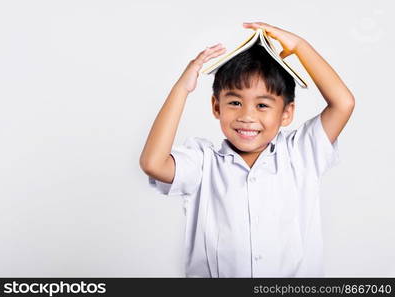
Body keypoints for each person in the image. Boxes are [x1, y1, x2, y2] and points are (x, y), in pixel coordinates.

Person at [139, 21, 355, 277]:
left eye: (262, 105)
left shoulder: (301, 153)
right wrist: (181, 89)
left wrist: (299, 46)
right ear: (216, 107)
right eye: (234, 102)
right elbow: (153, 163)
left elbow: (343, 103)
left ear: (287, 113)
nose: (247, 116)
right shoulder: (202, 163)